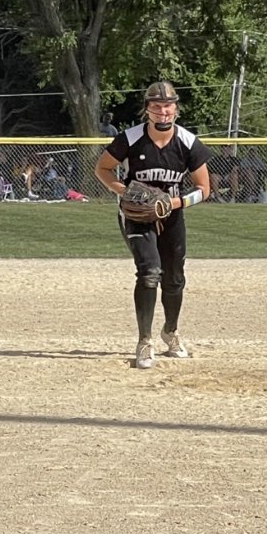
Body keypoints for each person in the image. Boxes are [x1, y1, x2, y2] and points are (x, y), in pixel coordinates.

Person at [94, 81, 211, 369]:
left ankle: (170, 331)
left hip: (171, 214)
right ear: (147, 110)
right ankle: (144, 341)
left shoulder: (187, 141)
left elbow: (203, 188)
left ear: (176, 109)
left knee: (173, 279)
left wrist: (174, 204)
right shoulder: (130, 138)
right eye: (156, 106)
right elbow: (103, 168)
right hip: (136, 214)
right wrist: (123, 191)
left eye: (168, 105)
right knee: (149, 272)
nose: (163, 111)